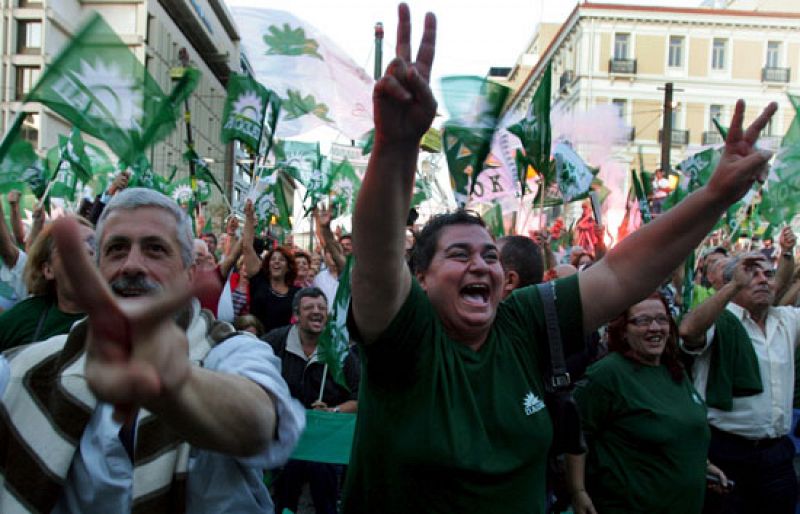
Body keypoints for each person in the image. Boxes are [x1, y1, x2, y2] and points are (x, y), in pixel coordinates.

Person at [343, 3, 776, 513]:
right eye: (459, 255)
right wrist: (397, 144)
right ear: (419, 277)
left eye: (489, 255)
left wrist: (715, 195)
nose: (481, 265)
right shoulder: (406, 337)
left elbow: (619, 271)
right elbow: (376, 250)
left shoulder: (522, 322)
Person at [0, 188, 305, 512]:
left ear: (188, 274)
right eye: (116, 250)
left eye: (155, 249)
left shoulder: (233, 351)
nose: (132, 265)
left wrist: (173, 381)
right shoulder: (31, 367)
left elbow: (258, 424)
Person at [566, 293, 724, 513]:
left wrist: (703, 465)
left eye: (662, 319)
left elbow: (683, 426)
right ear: (622, 329)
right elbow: (574, 434)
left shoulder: (673, 369)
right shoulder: (608, 374)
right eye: (642, 321)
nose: (655, 328)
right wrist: (577, 491)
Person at [679, 247, 799, 514]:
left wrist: (789, 256)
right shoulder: (721, 320)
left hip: (777, 454)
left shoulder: (787, 321)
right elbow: (687, 331)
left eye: (767, 274)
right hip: (726, 453)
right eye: (751, 274)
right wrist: (733, 285)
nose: (762, 280)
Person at [264, 287, 360, 514]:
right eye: (309, 307)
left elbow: (360, 397)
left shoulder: (341, 351)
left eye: (322, 308)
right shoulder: (275, 342)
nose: (317, 312)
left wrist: (333, 411)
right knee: (284, 498)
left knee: (324, 495)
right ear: (296, 314)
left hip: (324, 443)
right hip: (286, 438)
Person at [0, 216, 94, 351]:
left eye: (94, 243)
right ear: (48, 270)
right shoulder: (26, 316)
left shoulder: (124, 317)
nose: (88, 249)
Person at [242, 200, 300, 332]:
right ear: (268, 265)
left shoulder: (297, 294)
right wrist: (249, 218)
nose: (276, 262)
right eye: (273, 259)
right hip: (257, 345)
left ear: (289, 267)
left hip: (282, 348)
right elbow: (246, 247)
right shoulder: (259, 281)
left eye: (282, 260)